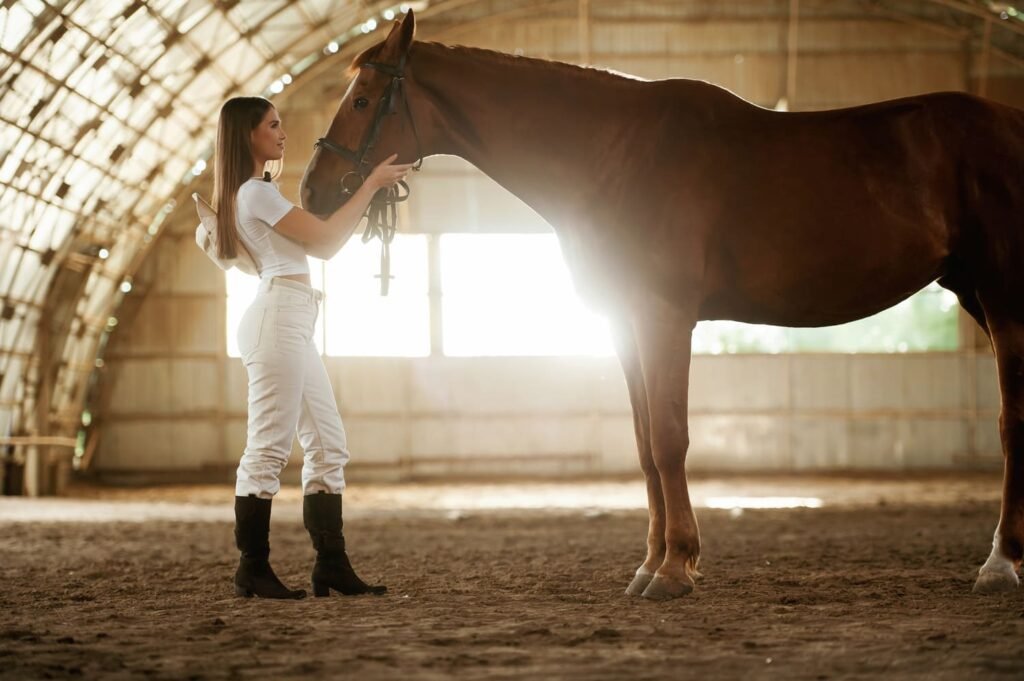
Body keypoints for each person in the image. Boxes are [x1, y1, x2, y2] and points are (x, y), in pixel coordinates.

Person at [213, 96, 412, 599]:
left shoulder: (257, 193)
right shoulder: (255, 195)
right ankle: (251, 566)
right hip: (279, 317)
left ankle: (331, 564)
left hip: (292, 316)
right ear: (248, 135)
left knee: (327, 443)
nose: (283, 133)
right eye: (273, 125)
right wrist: (370, 185)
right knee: (269, 446)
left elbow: (319, 241)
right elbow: (324, 241)